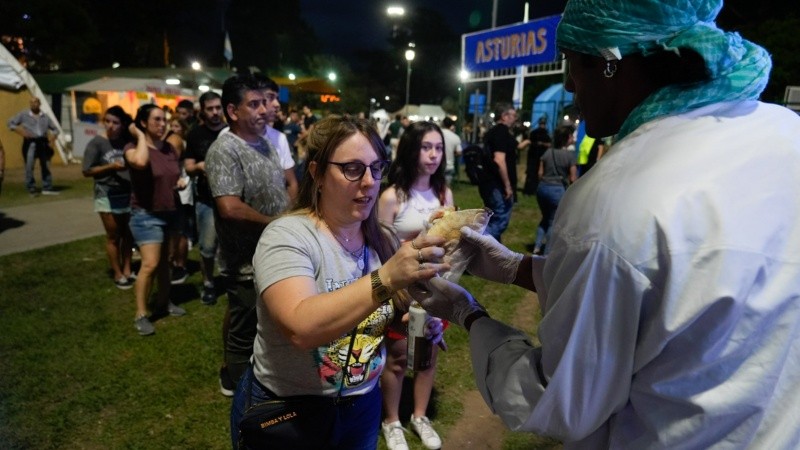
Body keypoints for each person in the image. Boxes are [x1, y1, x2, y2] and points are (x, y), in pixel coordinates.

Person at [413, 0, 800, 448]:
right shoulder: (784, 133)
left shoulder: (612, 199)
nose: (570, 87)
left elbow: (560, 402)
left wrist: (470, 314)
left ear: (609, 64)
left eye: (572, 65)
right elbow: (675, 293)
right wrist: (517, 266)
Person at [230, 115, 448, 449]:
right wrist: (387, 276)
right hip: (288, 410)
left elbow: (383, 319)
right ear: (316, 173)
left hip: (361, 406)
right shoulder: (288, 236)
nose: (369, 182)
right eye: (352, 169)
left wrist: (415, 325)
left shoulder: (383, 239)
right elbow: (301, 328)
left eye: (376, 168)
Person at [206, 74, 294, 397]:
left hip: (272, 253)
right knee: (243, 329)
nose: (264, 110)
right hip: (244, 260)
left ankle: (261, 380)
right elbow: (229, 207)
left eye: (264, 103)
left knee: (266, 324)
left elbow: (282, 186)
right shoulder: (224, 150)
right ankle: (244, 397)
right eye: (253, 104)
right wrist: (274, 222)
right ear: (232, 111)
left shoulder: (266, 142)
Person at [377, 121, 452, 450]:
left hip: (434, 290)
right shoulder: (392, 196)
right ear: (410, 149)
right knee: (395, 358)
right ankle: (391, 420)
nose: (434, 154)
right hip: (400, 293)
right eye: (426, 147)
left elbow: (451, 243)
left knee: (427, 355)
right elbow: (380, 253)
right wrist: (399, 295)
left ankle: (419, 416)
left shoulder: (443, 193)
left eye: (438, 148)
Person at [125, 104, 187, 336]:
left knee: (164, 263)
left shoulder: (170, 149)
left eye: (164, 120)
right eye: (157, 120)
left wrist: (179, 182)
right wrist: (140, 136)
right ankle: (141, 314)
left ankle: (163, 303)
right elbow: (141, 163)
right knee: (150, 264)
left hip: (169, 211)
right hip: (145, 215)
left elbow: (173, 173)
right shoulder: (132, 147)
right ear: (143, 123)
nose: (163, 125)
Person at [81, 105, 135, 289]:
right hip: (106, 192)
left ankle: (127, 268)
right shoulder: (96, 143)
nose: (111, 126)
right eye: (107, 121)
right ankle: (117, 273)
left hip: (126, 191)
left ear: (122, 124)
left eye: (115, 122)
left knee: (128, 233)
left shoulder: (127, 141)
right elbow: (86, 171)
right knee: (113, 235)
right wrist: (110, 167)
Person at [184, 91, 226, 305]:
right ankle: (208, 283)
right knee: (208, 247)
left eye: (218, 107)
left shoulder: (231, 132)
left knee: (232, 245)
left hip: (231, 199)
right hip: (206, 200)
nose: (215, 112)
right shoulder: (195, 134)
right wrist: (200, 166)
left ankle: (232, 282)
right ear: (202, 110)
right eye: (210, 108)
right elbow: (188, 166)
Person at [533, 125, 577, 255]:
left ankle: (536, 246)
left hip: (542, 188)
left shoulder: (547, 152)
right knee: (553, 222)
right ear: (567, 138)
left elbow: (540, 173)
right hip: (557, 190)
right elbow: (573, 178)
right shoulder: (569, 156)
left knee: (545, 218)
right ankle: (546, 253)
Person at [480, 102, 519, 242]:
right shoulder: (501, 131)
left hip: (489, 183)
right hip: (497, 186)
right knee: (498, 222)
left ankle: (491, 252)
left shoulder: (492, 131)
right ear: (504, 116)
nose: (515, 118)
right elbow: (499, 159)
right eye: (513, 115)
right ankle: (481, 248)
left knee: (491, 220)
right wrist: (508, 186)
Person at [7, 97, 60, 196]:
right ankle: (31, 187)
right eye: (31, 102)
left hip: (43, 142)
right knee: (29, 166)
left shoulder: (44, 116)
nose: (33, 104)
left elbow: (56, 129)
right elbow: (10, 123)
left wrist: (52, 138)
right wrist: (20, 131)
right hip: (30, 142)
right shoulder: (24, 115)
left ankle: (47, 186)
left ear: (39, 104)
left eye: (35, 102)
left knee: (45, 165)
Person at [165, 117, 193, 285]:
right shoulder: (170, 141)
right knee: (174, 230)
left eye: (177, 125)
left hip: (181, 191)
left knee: (180, 230)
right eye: (172, 125)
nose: (174, 128)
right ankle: (173, 262)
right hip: (173, 191)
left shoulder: (178, 143)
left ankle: (179, 264)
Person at [522, 117, 552, 195]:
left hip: (538, 157)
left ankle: (533, 190)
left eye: (543, 124)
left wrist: (541, 144)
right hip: (534, 156)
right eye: (542, 124)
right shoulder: (537, 133)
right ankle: (529, 190)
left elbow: (549, 144)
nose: (542, 125)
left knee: (536, 174)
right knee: (532, 174)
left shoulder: (544, 133)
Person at [440, 117, 462, 186]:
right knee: (446, 190)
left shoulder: (438, 134)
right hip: (449, 166)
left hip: (438, 165)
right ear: (451, 125)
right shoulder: (455, 137)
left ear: (442, 124)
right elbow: (459, 152)